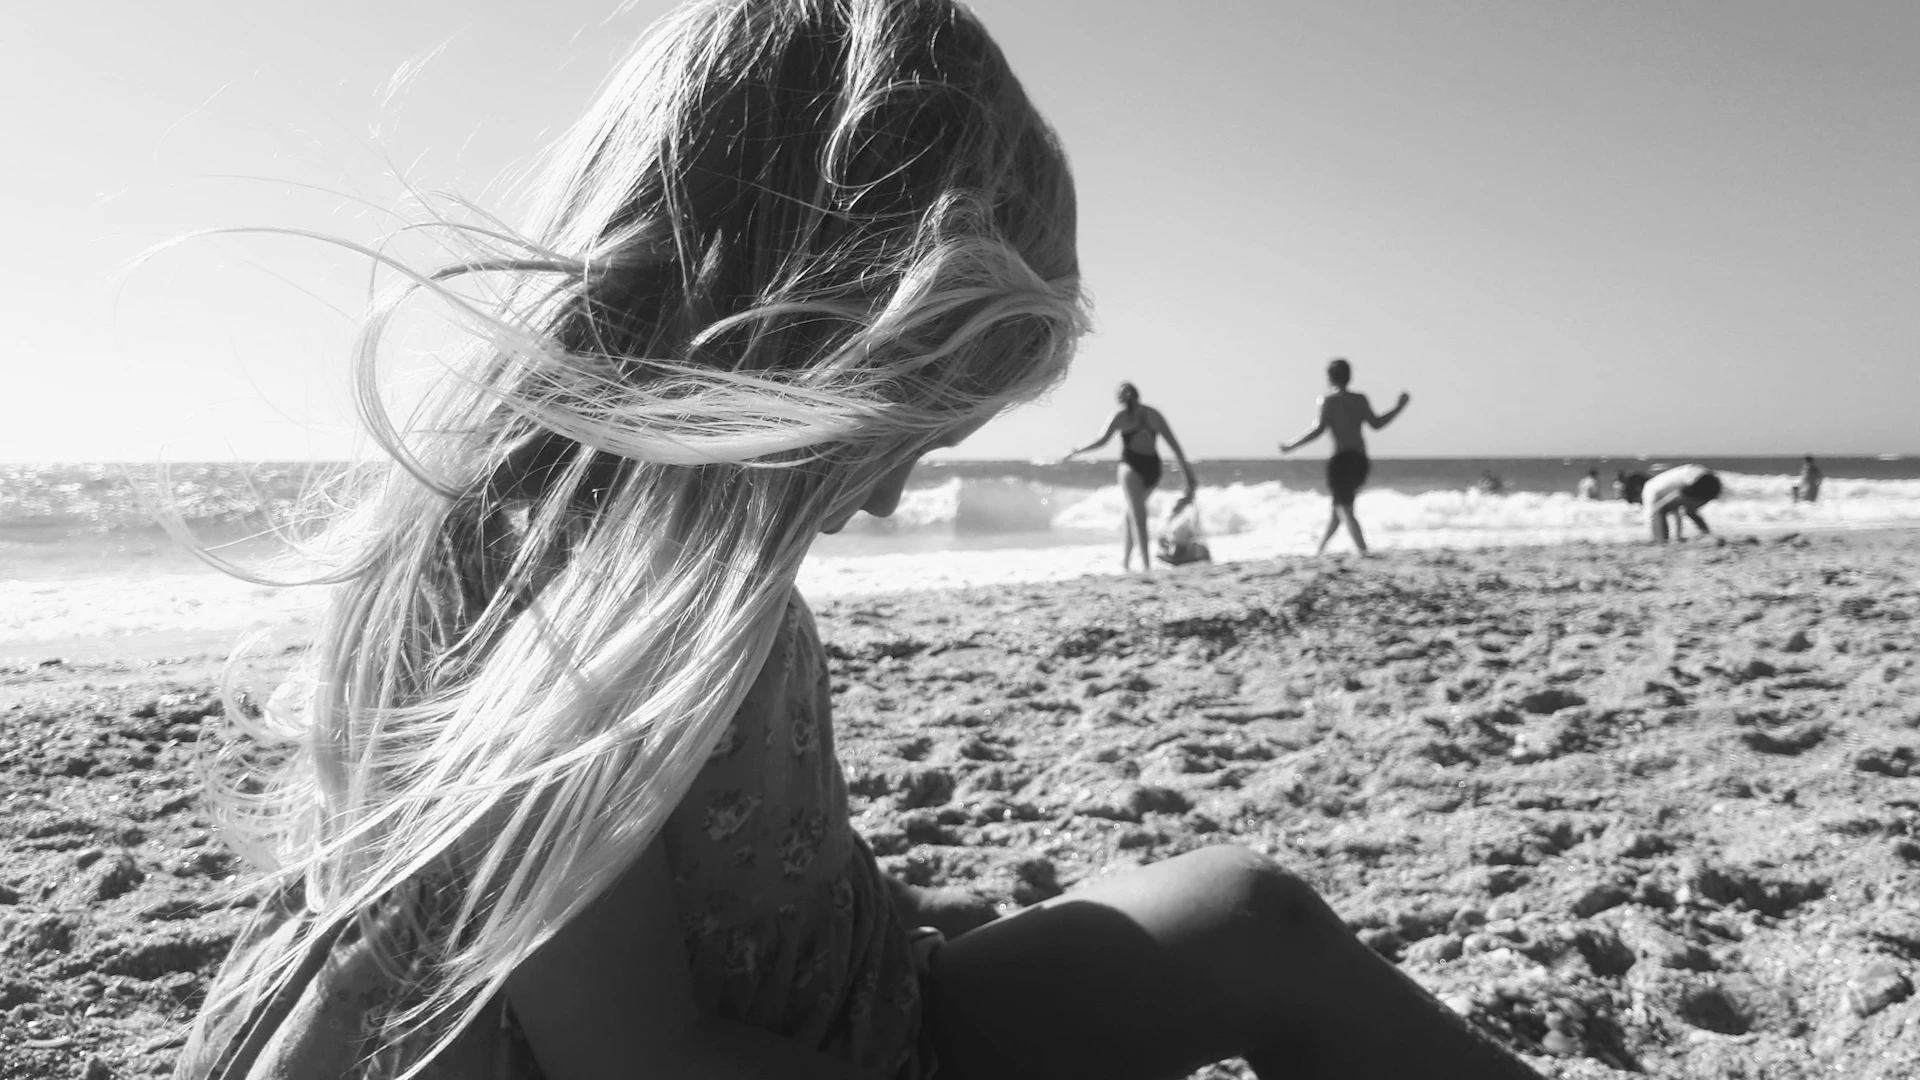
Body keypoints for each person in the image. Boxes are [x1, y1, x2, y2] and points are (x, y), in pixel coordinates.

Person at [173, 4, 1541, 1080]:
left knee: (1249, 915)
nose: (888, 498)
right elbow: (638, 1058)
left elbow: (738, 871)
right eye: (905, 431)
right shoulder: (560, 613)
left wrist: (877, 903)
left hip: (852, 1008)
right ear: (798, 340)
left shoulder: (689, 573)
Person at [1279, 357, 1410, 555]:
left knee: (1344, 508)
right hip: (1360, 461)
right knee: (1339, 508)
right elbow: (1377, 424)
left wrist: (1291, 445)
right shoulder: (1360, 399)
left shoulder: (1328, 401)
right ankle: (1320, 551)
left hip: (1341, 462)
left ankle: (1363, 551)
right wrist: (1399, 407)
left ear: (1329, 378)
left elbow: (1318, 429)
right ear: (1349, 377)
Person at [1064, 382, 1198, 574]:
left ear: (1136, 394)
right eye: (1124, 393)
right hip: (1130, 467)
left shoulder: (1153, 415)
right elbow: (1101, 440)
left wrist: (1189, 478)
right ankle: (1145, 566)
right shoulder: (1119, 417)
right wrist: (1077, 450)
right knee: (1138, 514)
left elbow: (1175, 447)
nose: (1128, 396)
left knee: (1133, 515)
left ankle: (1126, 563)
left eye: (1129, 392)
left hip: (1152, 468)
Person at [1643, 463, 1723, 541]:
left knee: (1661, 510)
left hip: (1699, 481)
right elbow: (1676, 511)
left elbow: (1652, 514)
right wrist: (1677, 536)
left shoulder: (1649, 487)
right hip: (1714, 483)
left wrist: (1654, 538)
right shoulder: (1662, 483)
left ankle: (1664, 541)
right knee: (1689, 511)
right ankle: (1707, 534)